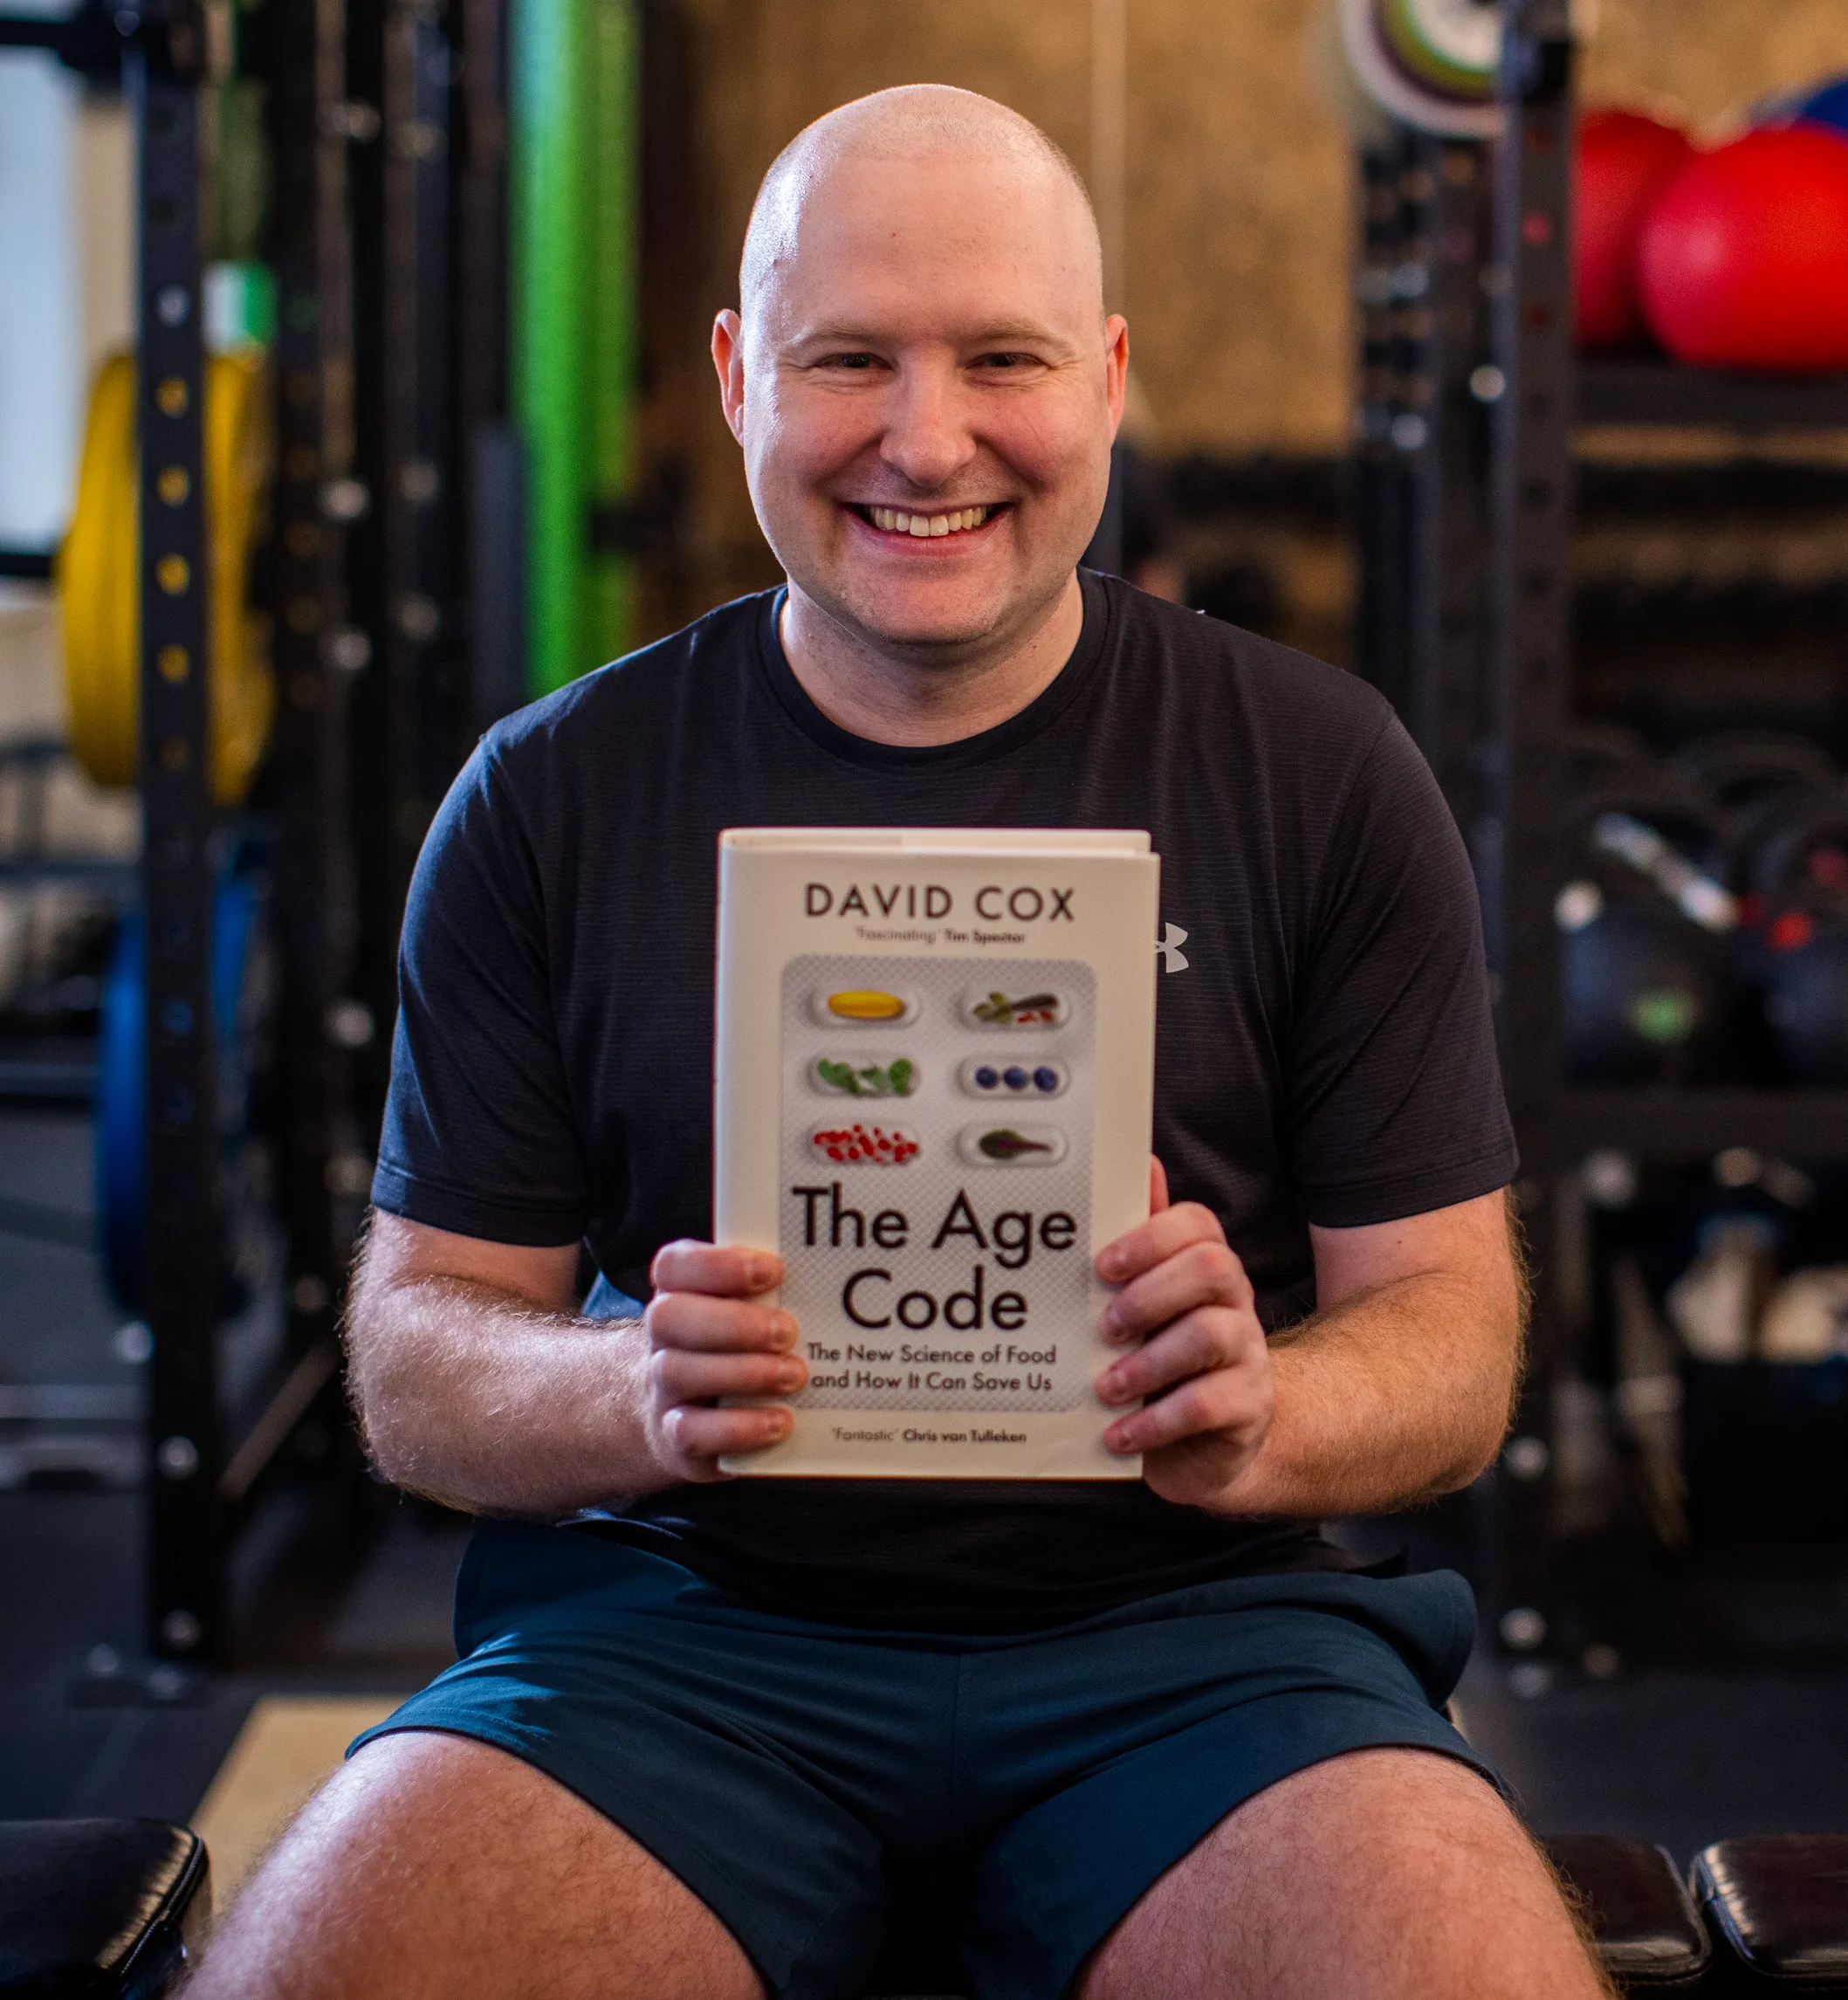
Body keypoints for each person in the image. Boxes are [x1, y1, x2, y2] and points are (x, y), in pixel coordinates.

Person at [188, 85, 1611, 2000]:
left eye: (1000, 358)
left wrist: (1267, 1405)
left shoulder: (1319, 772)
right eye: (845, 357)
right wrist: (629, 1391)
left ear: (1104, 377)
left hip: (1198, 1641)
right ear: (736, 377)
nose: (922, 438)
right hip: (673, 1636)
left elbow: (1450, 1337)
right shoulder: (547, 797)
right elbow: (413, 1357)